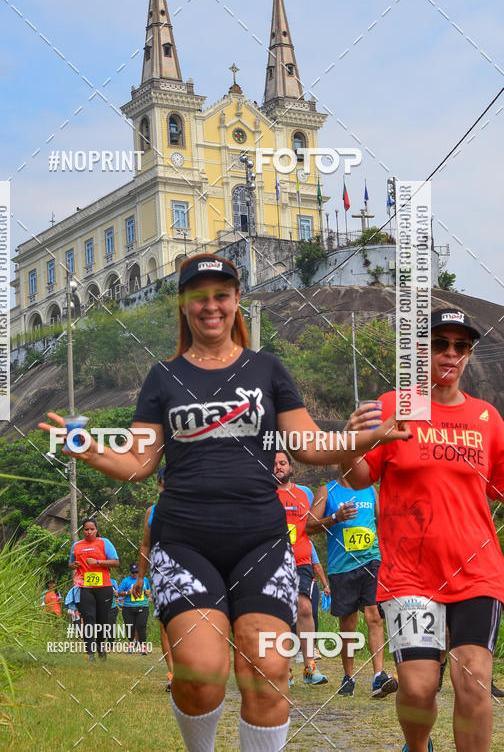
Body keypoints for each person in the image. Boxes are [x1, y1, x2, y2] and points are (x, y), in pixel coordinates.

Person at [39, 253, 409, 751]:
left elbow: (307, 445)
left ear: (236, 300)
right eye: (199, 296)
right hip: (185, 543)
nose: (211, 305)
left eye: (222, 295)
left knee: (269, 668)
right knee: (200, 673)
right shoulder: (163, 377)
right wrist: (87, 449)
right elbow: (140, 461)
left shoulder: (267, 369)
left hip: (261, 540)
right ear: (183, 304)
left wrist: (367, 438)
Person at [345, 308, 504, 752]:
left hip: (477, 573)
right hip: (410, 577)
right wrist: (352, 443)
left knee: (473, 680)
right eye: (440, 344)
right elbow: (357, 478)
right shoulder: (395, 407)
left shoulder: (488, 418)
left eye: (461, 346)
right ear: (421, 351)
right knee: (418, 688)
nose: (450, 354)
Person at [306, 472, 397, 699]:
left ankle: (379, 676)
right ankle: (348, 677)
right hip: (342, 567)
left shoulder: (370, 490)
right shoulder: (327, 491)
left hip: (371, 560)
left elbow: (384, 523)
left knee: (374, 616)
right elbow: (309, 526)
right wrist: (334, 518)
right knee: (348, 624)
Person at [273, 450, 328, 686]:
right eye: (274, 464)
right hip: (274, 562)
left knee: (304, 608)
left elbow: (313, 524)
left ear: (290, 467)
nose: (278, 467)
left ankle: (309, 667)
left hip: (302, 561)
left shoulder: (305, 493)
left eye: (282, 463)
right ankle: (283, 670)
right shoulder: (265, 494)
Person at [134, 467, 174, 689]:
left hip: (189, 573)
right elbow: (145, 545)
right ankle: (173, 675)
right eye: (166, 481)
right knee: (165, 624)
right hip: (160, 573)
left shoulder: (193, 506)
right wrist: (140, 578)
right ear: (159, 484)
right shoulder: (151, 512)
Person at [68, 517, 119, 662]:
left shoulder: (104, 543)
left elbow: (116, 562)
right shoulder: (76, 545)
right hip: (85, 587)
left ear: (96, 530)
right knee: (88, 618)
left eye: (92, 529)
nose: (89, 532)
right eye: (86, 529)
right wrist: (73, 565)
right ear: (82, 530)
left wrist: (97, 561)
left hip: (104, 587)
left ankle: (101, 648)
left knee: (102, 620)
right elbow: (70, 564)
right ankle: (90, 652)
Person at [118, 562, 152, 653]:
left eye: (137, 572)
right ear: (130, 572)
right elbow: (119, 593)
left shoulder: (145, 580)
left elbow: (148, 590)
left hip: (143, 606)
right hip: (128, 607)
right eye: (133, 572)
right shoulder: (126, 581)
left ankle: (142, 646)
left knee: (141, 626)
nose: (135, 574)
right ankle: (131, 643)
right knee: (129, 627)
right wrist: (127, 593)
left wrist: (148, 592)